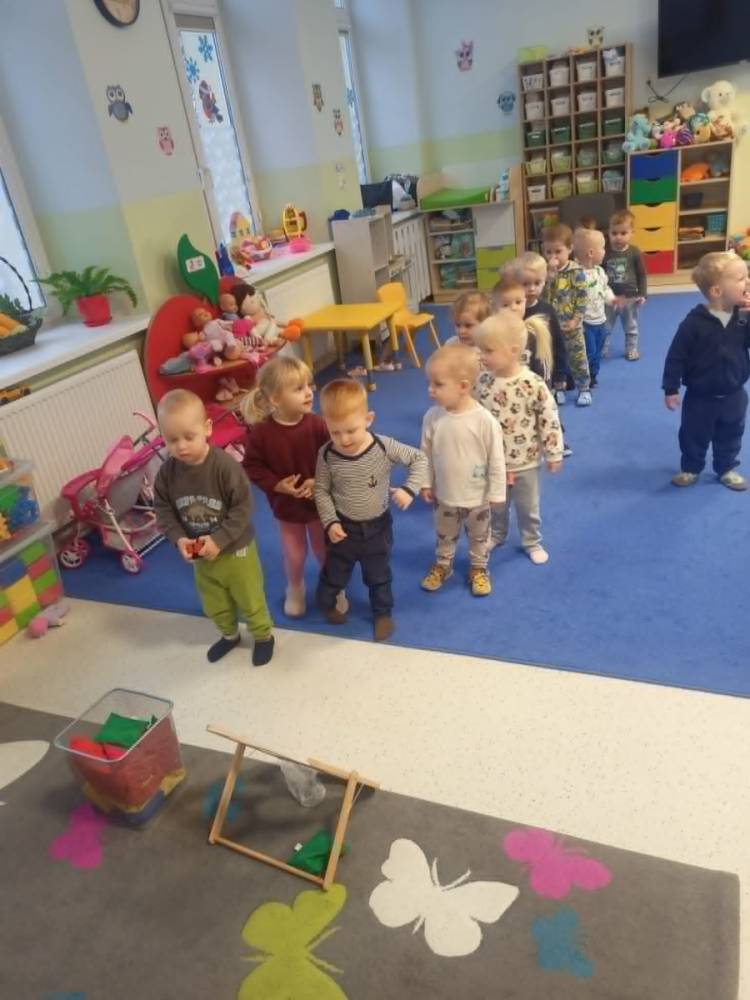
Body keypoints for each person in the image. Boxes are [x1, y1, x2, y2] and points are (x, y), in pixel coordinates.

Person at [153, 389, 274, 666]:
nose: (181, 446)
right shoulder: (167, 474)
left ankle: (263, 636)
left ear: (207, 428)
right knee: (213, 600)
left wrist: (219, 540)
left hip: (236, 549)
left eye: (189, 436)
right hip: (200, 552)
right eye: (172, 440)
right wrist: (179, 539)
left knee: (249, 597)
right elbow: (163, 510)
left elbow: (244, 507)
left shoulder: (224, 467)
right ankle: (229, 635)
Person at [314, 379, 428, 641]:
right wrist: (330, 522)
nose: (343, 439)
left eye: (351, 430)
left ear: (368, 419)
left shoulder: (383, 446)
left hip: (377, 528)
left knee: (379, 576)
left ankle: (382, 614)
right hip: (343, 529)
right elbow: (321, 490)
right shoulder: (326, 454)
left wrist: (409, 489)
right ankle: (327, 604)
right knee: (333, 575)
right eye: (335, 432)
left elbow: (419, 458)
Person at [241, 355, 346, 619]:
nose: (309, 392)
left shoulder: (318, 425)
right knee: (295, 555)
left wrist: (318, 482)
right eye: (299, 388)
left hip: (319, 504)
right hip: (286, 507)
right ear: (276, 399)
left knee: (324, 551)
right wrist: (277, 485)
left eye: (309, 385)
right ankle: (295, 588)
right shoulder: (261, 434)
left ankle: (334, 587)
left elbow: (335, 459)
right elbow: (252, 466)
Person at [474, 312, 563, 564]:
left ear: (513, 350)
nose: (481, 356)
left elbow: (548, 418)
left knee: (527, 506)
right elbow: (473, 415)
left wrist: (553, 452)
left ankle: (531, 541)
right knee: (494, 504)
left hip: (525, 461)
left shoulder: (532, 383)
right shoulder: (482, 381)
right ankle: (497, 534)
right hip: (492, 462)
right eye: (480, 350)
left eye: (488, 351)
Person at [419, 344, 506, 596]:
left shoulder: (484, 421)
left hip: (478, 497)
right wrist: (425, 483)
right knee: (444, 533)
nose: (430, 389)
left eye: (438, 384)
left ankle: (478, 568)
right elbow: (424, 454)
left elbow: (496, 459)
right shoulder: (432, 418)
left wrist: (497, 492)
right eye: (429, 383)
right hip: (445, 495)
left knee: (479, 537)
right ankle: (443, 564)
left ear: (464, 386)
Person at [663, 251, 750, 491]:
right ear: (717, 291)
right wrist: (671, 388)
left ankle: (726, 467)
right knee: (693, 434)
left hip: (734, 394)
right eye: (741, 278)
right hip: (700, 397)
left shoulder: (743, 317)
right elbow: (676, 357)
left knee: (732, 433)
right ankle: (691, 467)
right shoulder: (693, 324)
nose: (748, 282)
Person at [541, 223, 592, 407]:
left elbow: (582, 297)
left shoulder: (576, 272)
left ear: (570, 249)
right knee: (554, 358)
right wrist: (548, 278)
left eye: (558, 251)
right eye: (548, 252)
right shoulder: (545, 273)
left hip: (572, 326)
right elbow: (543, 298)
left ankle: (584, 388)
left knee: (578, 358)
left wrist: (576, 319)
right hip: (552, 327)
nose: (553, 256)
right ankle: (558, 387)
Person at [573, 227, 615, 388]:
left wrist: (612, 300)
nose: (605, 251)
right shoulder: (577, 274)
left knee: (598, 351)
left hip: (601, 320)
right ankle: (585, 376)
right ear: (591, 253)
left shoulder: (600, 272)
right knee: (589, 352)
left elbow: (605, 289)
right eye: (602, 248)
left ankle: (594, 374)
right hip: (586, 323)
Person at [604, 209, 647, 361]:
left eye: (623, 233)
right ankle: (603, 348)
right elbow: (599, 275)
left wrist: (642, 294)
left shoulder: (634, 252)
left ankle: (631, 349)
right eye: (614, 233)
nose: (618, 237)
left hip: (630, 297)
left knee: (631, 326)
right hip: (609, 298)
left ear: (632, 233)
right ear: (609, 233)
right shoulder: (605, 253)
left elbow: (641, 274)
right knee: (605, 326)